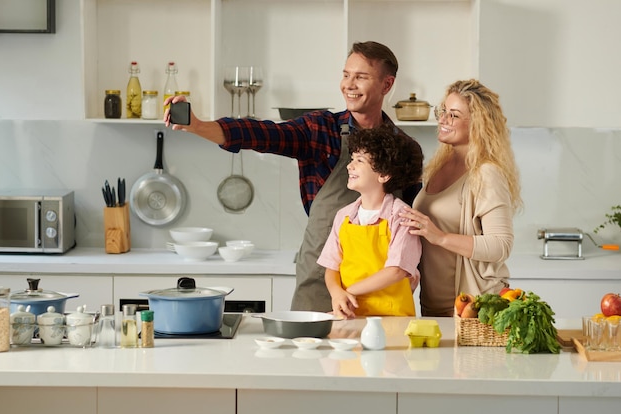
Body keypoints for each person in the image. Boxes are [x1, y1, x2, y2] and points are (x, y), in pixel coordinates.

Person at [164, 41, 422, 312]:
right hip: (322, 281)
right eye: (346, 75)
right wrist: (199, 126)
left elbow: (413, 225)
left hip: (380, 292)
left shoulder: (404, 149)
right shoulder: (320, 130)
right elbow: (262, 134)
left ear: (386, 84)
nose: (349, 84)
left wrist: (413, 273)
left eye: (361, 77)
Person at [399, 79, 522, 317]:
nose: (443, 120)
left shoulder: (486, 173)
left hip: (474, 307)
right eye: (443, 111)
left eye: (453, 115)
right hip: (433, 306)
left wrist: (440, 237)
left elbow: (501, 245)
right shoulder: (440, 164)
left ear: (478, 124)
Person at [317, 127, 423, 319]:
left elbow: (396, 270)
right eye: (352, 159)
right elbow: (331, 266)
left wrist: (350, 291)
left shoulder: (402, 217)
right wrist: (337, 293)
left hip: (391, 317)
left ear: (383, 174)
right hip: (350, 313)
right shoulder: (344, 216)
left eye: (360, 160)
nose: (350, 166)